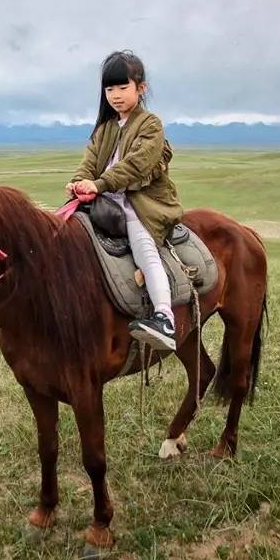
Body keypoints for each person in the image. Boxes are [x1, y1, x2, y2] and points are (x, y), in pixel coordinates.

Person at [67, 50, 184, 352]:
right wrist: (80, 181)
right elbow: (89, 161)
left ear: (140, 88)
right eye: (109, 89)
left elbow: (136, 165)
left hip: (143, 203)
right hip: (106, 200)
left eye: (122, 87)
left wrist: (98, 184)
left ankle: (164, 317)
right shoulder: (104, 129)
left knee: (143, 243)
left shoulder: (150, 125)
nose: (115, 95)